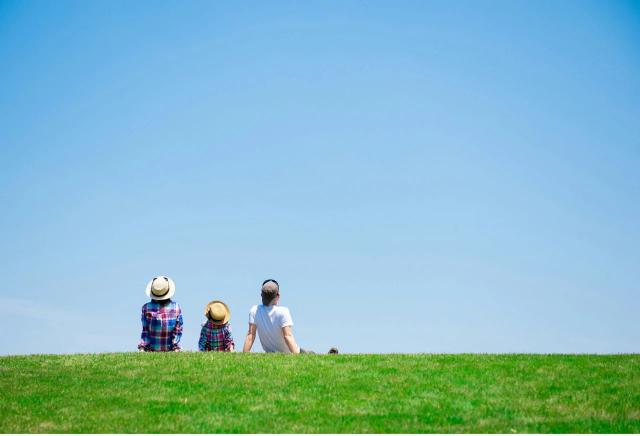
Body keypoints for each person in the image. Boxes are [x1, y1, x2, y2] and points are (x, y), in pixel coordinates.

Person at [242, 279, 338, 354]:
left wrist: (244, 355)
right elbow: (288, 336)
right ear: (278, 296)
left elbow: (250, 335)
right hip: (291, 351)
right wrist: (296, 356)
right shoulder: (283, 311)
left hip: (270, 353)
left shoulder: (254, 310)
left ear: (261, 295)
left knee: (311, 353)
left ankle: (328, 355)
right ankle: (328, 356)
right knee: (310, 354)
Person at [138, 276, 183, 352]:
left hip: (151, 350)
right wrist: (176, 347)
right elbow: (178, 331)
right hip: (170, 350)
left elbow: (145, 331)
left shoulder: (146, 308)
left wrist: (142, 347)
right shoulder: (176, 307)